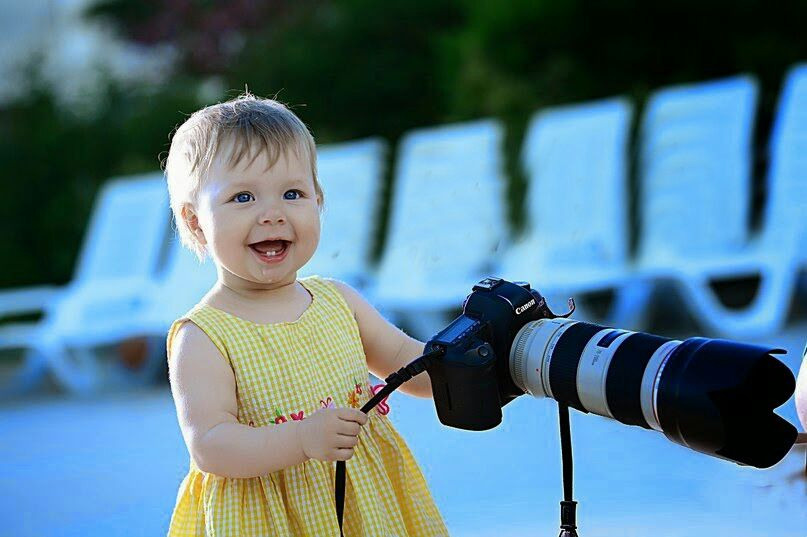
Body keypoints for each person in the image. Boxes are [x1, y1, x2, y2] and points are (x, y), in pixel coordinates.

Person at [162, 93, 449, 536]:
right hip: (268, 517)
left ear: (318, 200)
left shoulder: (338, 301)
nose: (272, 214)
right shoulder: (204, 336)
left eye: (292, 193)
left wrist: (483, 358)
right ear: (196, 221)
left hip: (365, 504)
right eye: (242, 197)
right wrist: (300, 439)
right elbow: (211, 445)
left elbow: (415, 366)